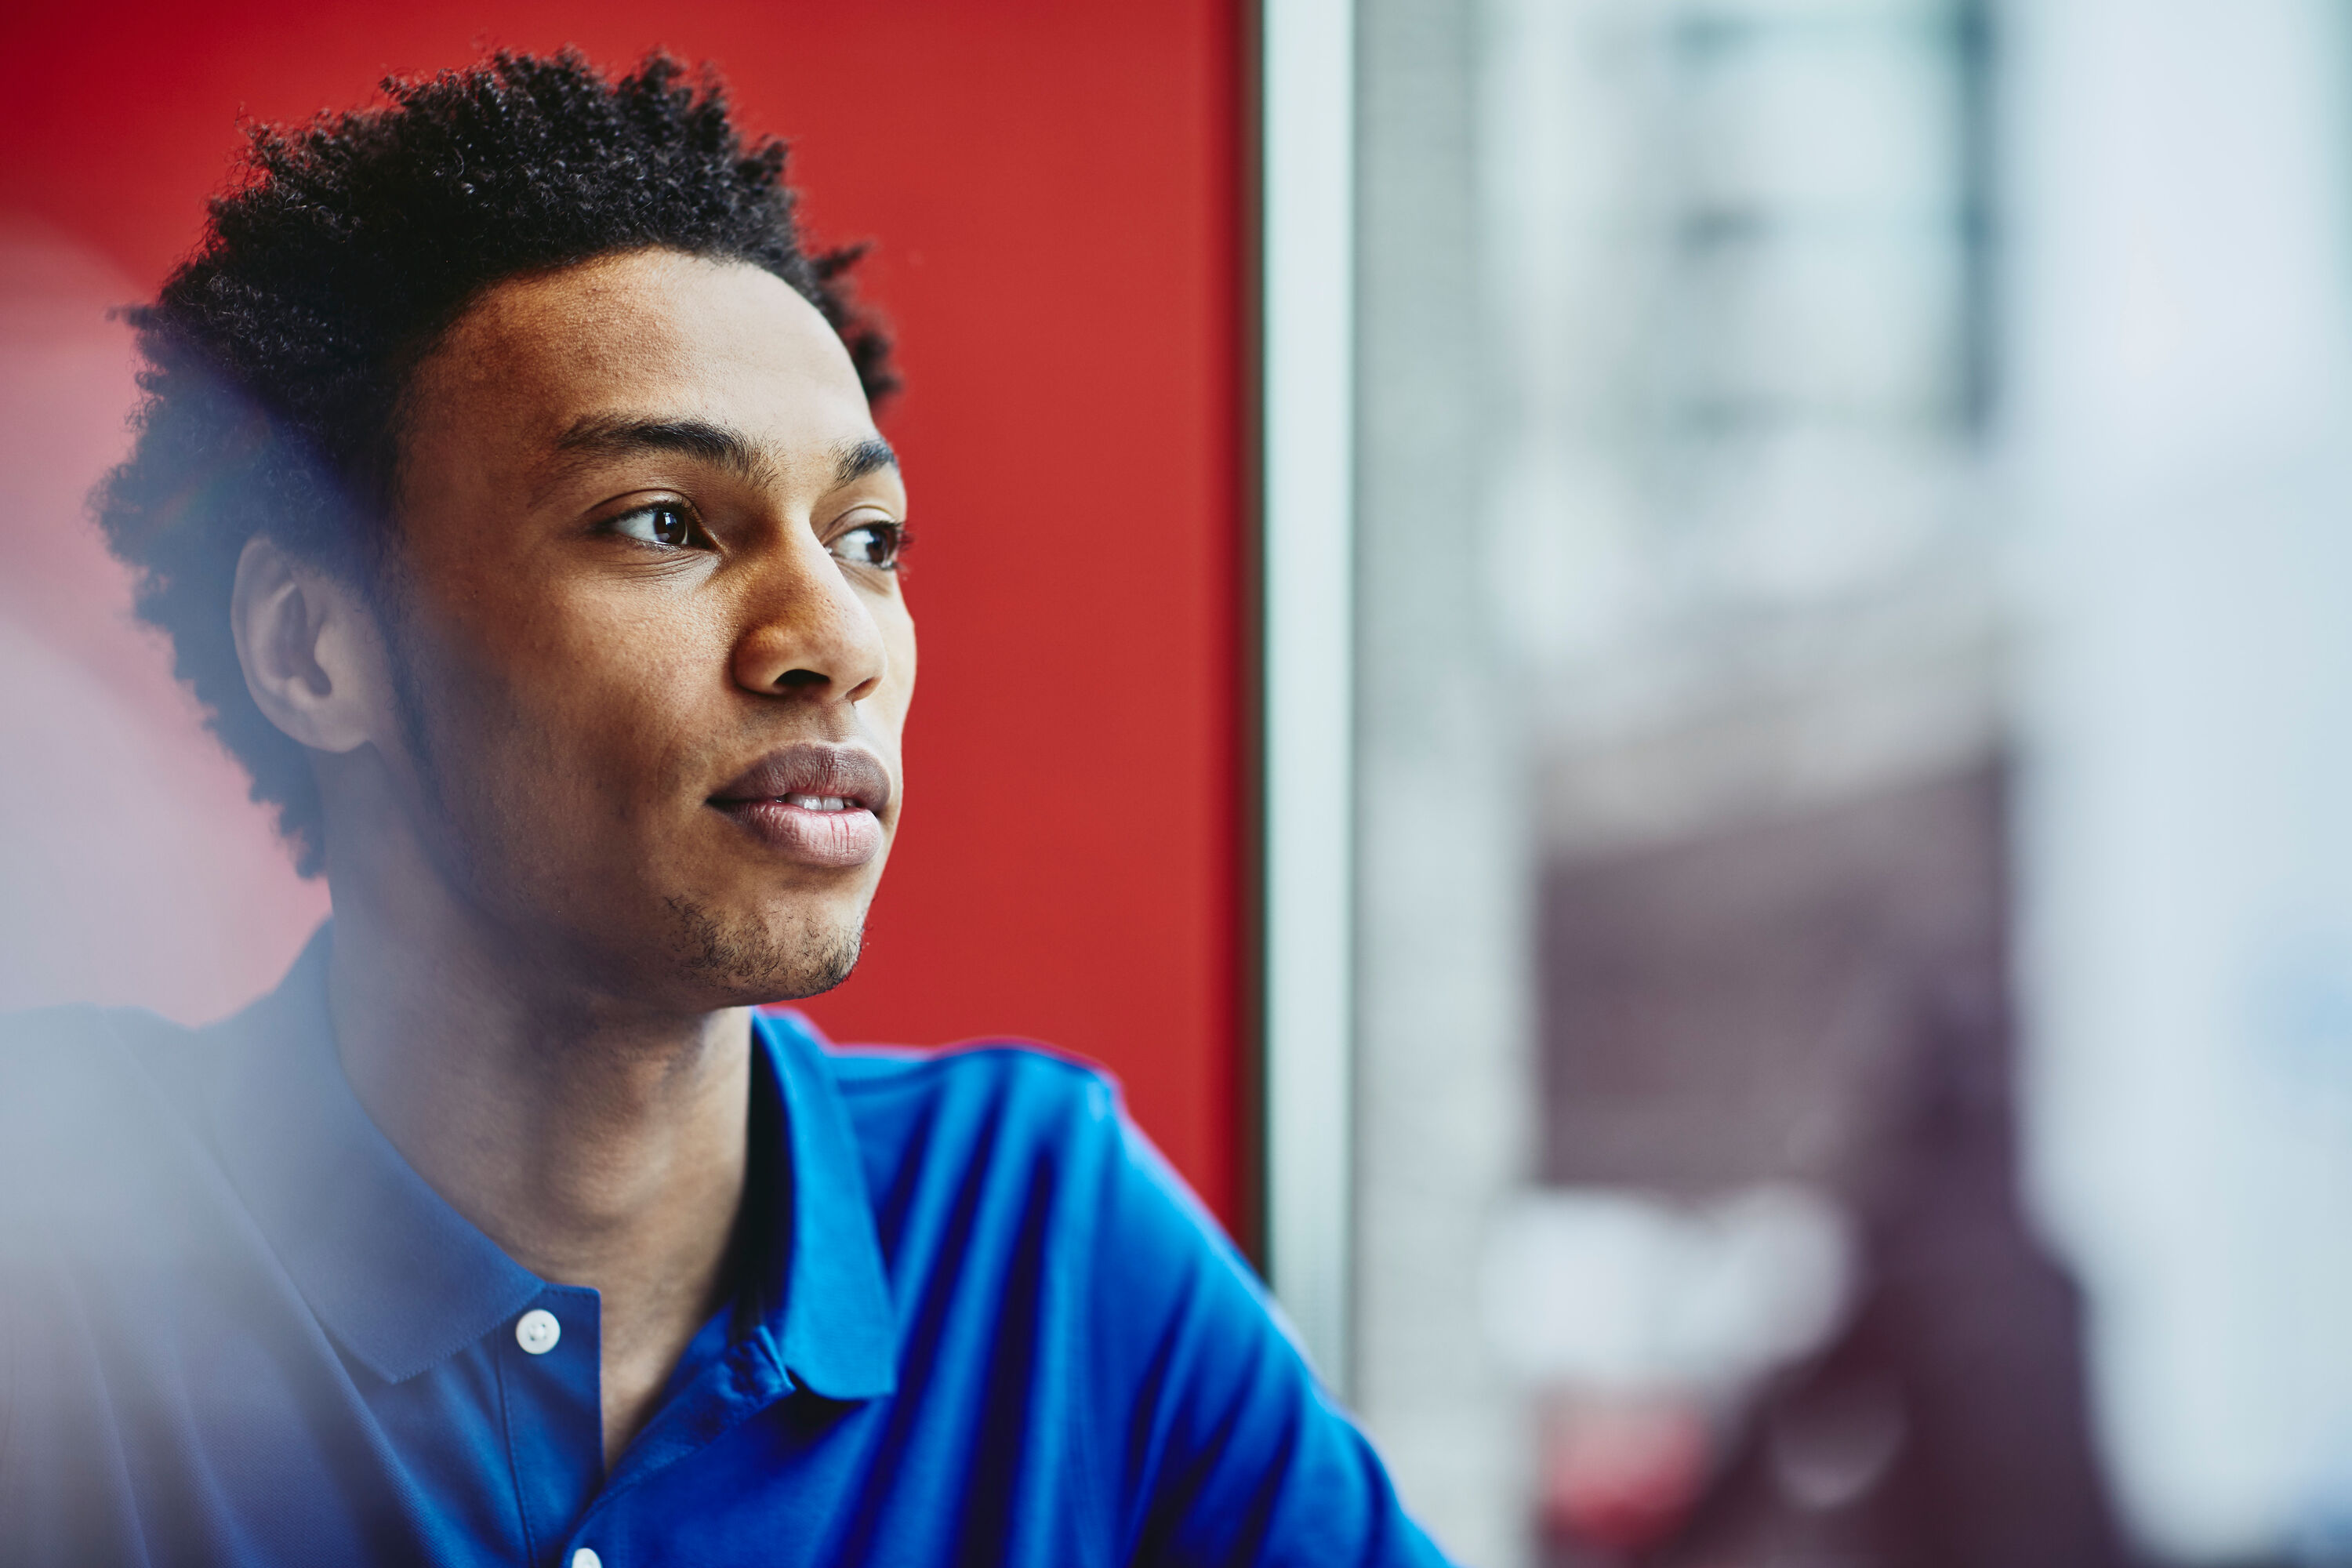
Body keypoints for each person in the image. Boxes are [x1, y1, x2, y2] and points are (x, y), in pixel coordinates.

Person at [0, 49, 1446, 1566]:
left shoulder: (1036, 1231)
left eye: (869, 538)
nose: (833, 638)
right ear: (314, 648)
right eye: (663, 523)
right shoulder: (55, 1257)